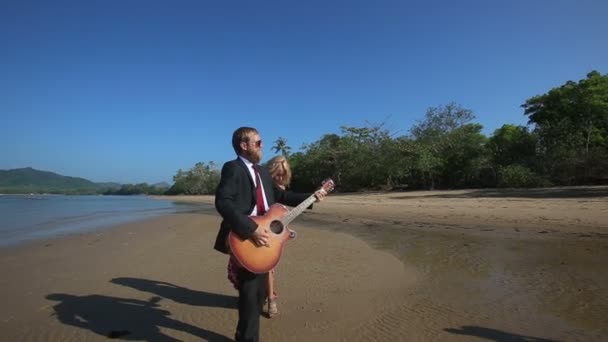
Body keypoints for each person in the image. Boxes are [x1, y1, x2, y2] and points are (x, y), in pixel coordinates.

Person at [214, 127, 326, 342]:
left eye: (262, 142)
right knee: (249, 294)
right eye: (258, 142)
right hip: (245, 237)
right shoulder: (233, 168)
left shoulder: (263, 172)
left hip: (267, 239)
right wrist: (251, 229)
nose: (262, 146)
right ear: (243, 145)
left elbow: (282, 195)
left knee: (258, 295)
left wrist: (312, 197)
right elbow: (223, 202)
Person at [264, 155, 293, 317]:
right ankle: (267, 297)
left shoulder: (281, 189)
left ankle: (269, 297)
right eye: (276, 173)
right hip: (260, 229)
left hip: (276, 233)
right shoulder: (266, 187)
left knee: (269, 268)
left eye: (283, 174)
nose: (279, 177)